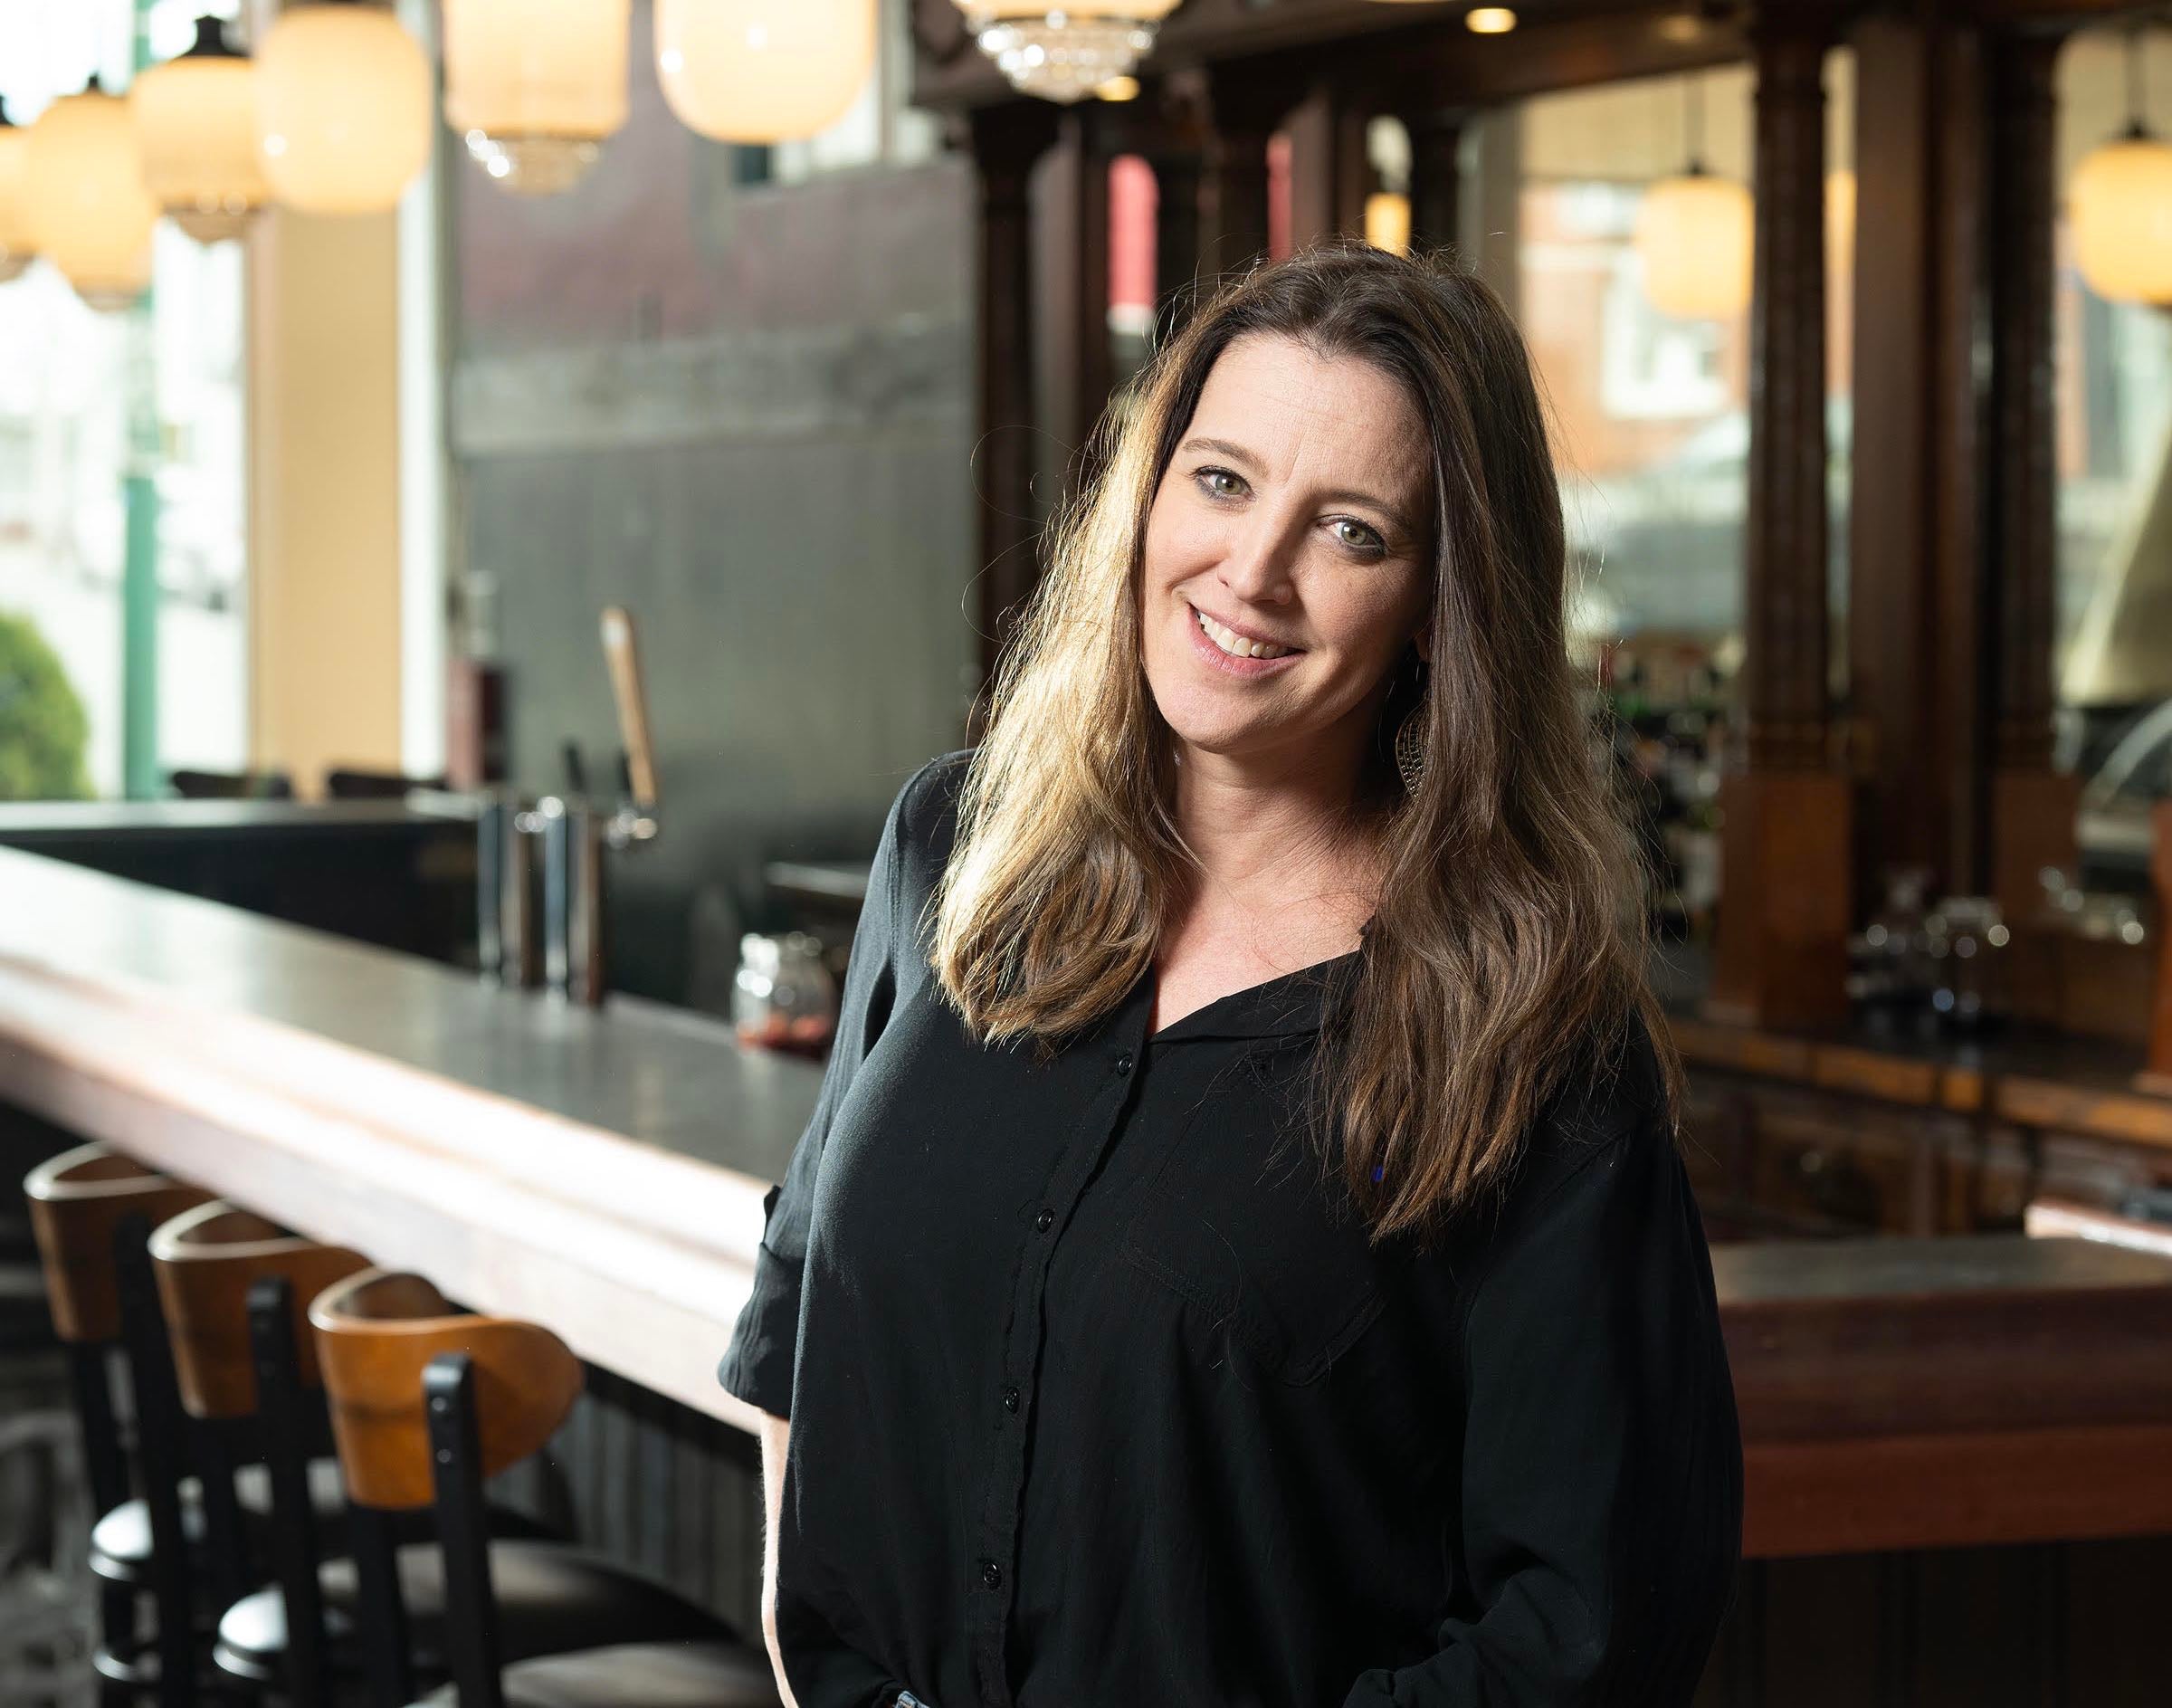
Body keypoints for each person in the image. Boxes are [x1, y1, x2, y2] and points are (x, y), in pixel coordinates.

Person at [719, 242, 1743, 1708]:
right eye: (1221, 481)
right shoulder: (956, 848)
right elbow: (800, 1297)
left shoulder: (1527, 1030)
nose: (1253, 572)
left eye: (1352, 532)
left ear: (1440, 605)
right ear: (1147, 496)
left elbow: (1593, 1627)